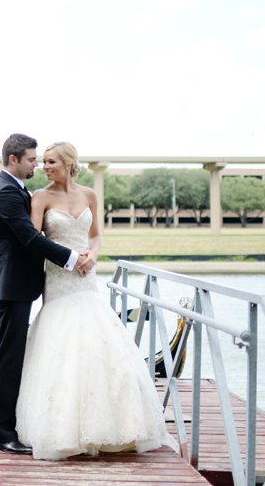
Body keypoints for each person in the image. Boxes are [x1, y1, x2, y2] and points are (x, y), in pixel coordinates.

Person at [14, 141, 174, 460]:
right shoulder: (40, 197)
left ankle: (113, 426)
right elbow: (33, 240)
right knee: (63, 345)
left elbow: (96, 235)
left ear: (69, 163)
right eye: (43, 161)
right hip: (59, 278)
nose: (45, 166)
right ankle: (62, 430)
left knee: (99, 342)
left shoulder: (89, 194)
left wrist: (93, 255)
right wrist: (69, 258)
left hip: (87, 277)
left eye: (51, 161)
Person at [0, 134, 95, 454]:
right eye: (32, 160)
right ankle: (1, 434)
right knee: (9, 361)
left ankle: (6, 427)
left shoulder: (17, 188)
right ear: (14, 159)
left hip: (17, 285)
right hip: (9, 286)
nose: (37, 165)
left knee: (13, 358)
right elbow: (30, 238)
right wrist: (72, 258)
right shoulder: (6, 192)